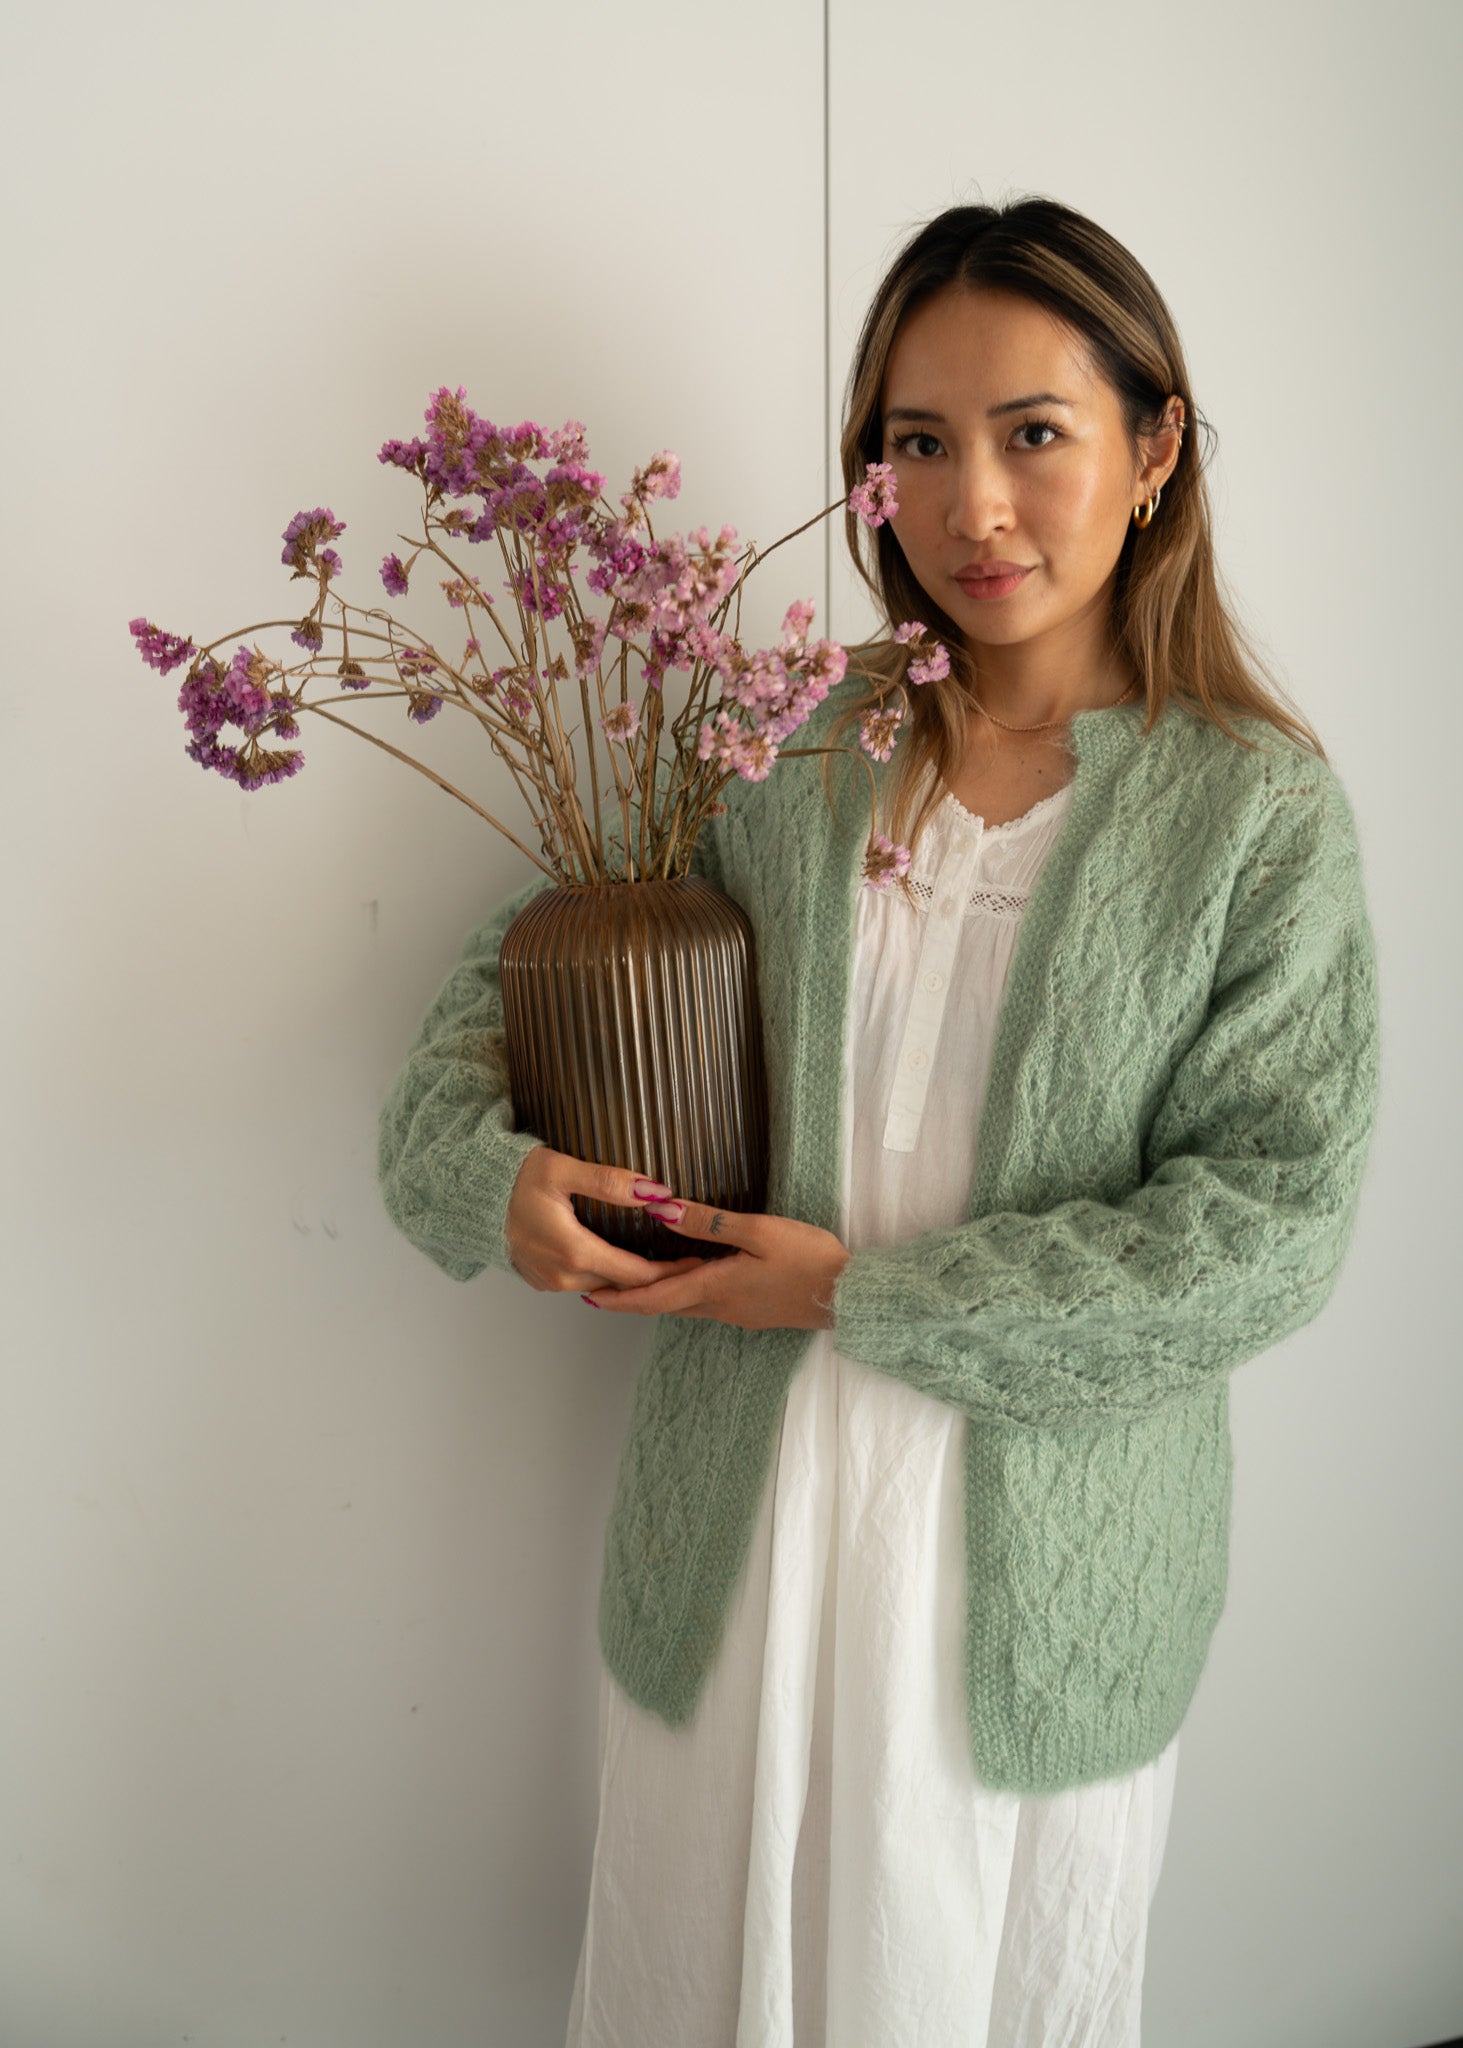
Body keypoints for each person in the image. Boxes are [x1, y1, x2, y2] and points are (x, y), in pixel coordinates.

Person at [377, 196, 1381, 2048]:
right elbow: (502, 993)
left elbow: (1270, 1230)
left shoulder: (1256, 818)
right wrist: (489, 1178)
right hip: (738, 1550)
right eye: (916, 441)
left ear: (1155, 449)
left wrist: (866, 1299)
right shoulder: (780, 744)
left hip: (1036, 1595)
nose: (970, 503)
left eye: (1035, 434)